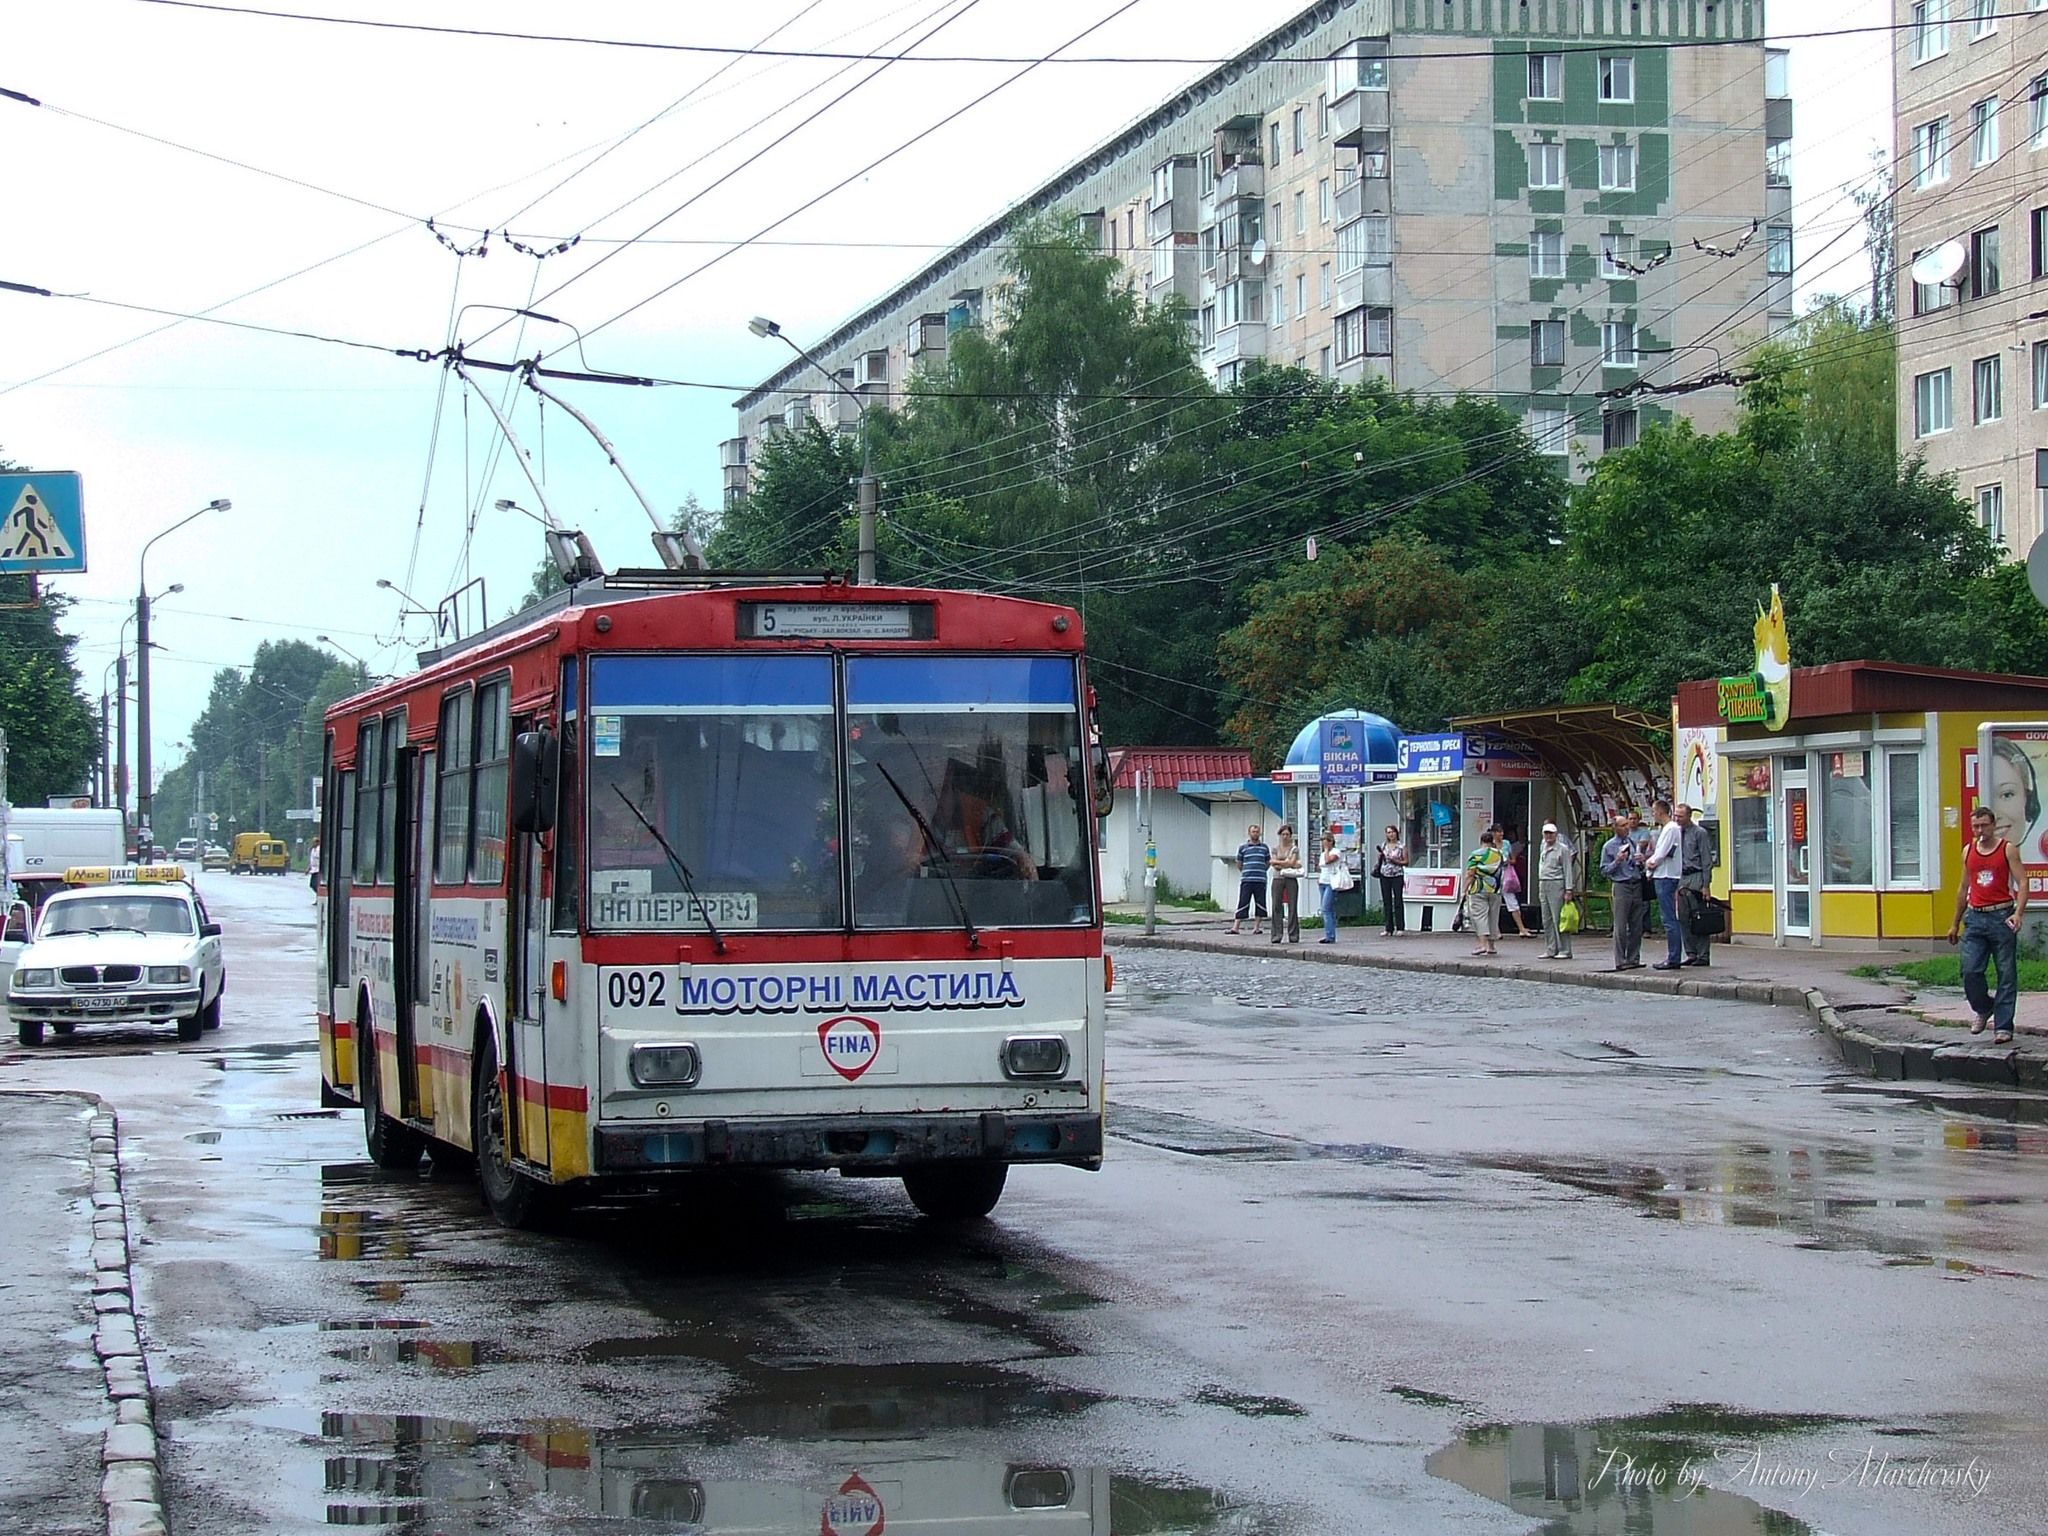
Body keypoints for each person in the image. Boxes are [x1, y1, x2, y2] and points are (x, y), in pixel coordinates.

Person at [1947, 804, 2028, 1044]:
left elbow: (2022, 882)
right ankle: (1983, 1008)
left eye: (1984, 825)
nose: (1980, 830)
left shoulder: (2007, 849)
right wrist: (1955, 923)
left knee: (2006, 973)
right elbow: (1963, 888)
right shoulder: (1968, 851)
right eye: (1976, 826)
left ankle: (2003, 1026)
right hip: (1975, 917)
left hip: (2001, 915)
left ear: (1993, 825)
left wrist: (2019, 913)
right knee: (1970, 970)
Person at [1600, 810, 1647, 971]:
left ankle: (1633, 958)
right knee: (1620, 925)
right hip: (1621, 886)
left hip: (1636, 884)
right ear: (1615, 828)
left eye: (1627, 824)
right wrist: (1617, 861)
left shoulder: (1633, 842)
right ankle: (1620, 960)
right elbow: (1604, 870)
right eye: (1623, 825)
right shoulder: (1609, 846)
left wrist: (1641, 862)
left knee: (1636, 925)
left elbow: (1638, 864)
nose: (1627, 827)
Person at [1644, 799, 1685, 969]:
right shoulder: (1669, 829)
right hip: (1665, 874)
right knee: (1668, 916)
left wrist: (1649, 863)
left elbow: (1661, 853)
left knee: (1668, 918)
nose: (1653, 814)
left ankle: (1674, 957)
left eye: (1654, 811)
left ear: (1660, 811)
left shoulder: (1671, 829)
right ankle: (1673, 955)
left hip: (1666, 875)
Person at [1677, 804, 1716, 967]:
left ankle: (1703, 954)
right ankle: (1690, 952)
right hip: (1681, 877)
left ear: (1689, 816)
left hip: (1696, 876)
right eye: (1676, 816)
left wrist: (1705, 884)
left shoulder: (1699, 833)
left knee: (1698, 915)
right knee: (1683, 917)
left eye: (1680, 816)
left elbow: (1706, 860)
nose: (1677, 819)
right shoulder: (1676, 832)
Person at [1536, 823, 1578, 960]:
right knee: (1546, 919)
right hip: (1543, 882)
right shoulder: (1543, 846)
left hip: (1557, 883)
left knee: (1559, 918)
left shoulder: (1562, 849)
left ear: (1556, 834)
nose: (1548, 836)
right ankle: (1550, 948)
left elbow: (1567, 869)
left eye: (1551, 833)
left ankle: (1565, 949)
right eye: (1546, 833)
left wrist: (1568, 889)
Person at [1462, 829, 1505, 956]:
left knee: (1480, 916)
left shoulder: (1475, 854)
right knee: (1493, 916)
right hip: (1495, 889)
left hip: (1479, 889)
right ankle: (1491, 946)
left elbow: (1470, 874)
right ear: (1492, 841)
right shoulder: (1499, 854)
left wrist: (1464, 890)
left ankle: (1482, 945)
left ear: (1481, 841)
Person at [1230, 823, 1270, 934]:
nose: (1255, 834)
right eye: (1253, 831)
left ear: (1260, 833)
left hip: (1260, 880)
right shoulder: (1243, 848)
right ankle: (1236, 927)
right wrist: (1246, 871)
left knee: (1260, 903)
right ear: (1249, 833)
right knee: (1243, 902)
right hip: (1247, 879)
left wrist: (1261, 870)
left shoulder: (1264, 848)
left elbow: (1267, 863)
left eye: (1257, 832)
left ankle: (1256, 928)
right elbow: (1239, 863)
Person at [1269, 823, 1303, 944]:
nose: (1285, 836)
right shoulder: (1275, 848)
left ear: (1291, 835)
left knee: (1292, 906)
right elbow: (1273, 863)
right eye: (1283, 834)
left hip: (1290, 878)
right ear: (1279, 835)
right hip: (1277, 878)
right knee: (1276, 906)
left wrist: (1282, 863)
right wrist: (1287, 862)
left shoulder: (1294, 848)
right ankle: (1276, 935)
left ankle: (1293, 935)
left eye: (1287, 834)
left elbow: (1291, 862)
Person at [1498, 834, 1536, 938]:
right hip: (1494, 877)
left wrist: (1507, 861)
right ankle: (1495, 930)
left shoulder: (1506, 844)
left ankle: (1521, 928)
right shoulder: (1491, 846)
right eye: (1497, 832)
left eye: (1501, 832)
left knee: (1512, 902)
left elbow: (1513, 859)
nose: (1500, 834)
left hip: (1506, 875)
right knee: (1494, 904)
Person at [1373, 825, 1408, 936]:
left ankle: (1400, 927)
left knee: (1398, 900)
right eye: (1388, 832)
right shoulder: (1384, 846)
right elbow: (1380, 859)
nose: (1391, 834)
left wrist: (1396, 861)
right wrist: (1380, 858)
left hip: (1397, 875)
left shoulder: (1401, 846)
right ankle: (1388, 927)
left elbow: (1406, 862)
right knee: (1386, 901)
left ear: (1396, 833)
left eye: (1392, 832)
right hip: (1385, 874)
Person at [1316, 830, 1345, 943]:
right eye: (1322, 840)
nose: (1324, 843)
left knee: (1326, 908)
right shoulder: (1322, 854)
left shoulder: (1336, 852)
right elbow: (1322, 867)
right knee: (1330, 909)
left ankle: (1330, 935)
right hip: (1323, 881)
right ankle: (1330, 933)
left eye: (1326, 840)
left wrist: (1327, 850)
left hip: (1332, 883)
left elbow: (1328, 861)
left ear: (1331, 841)